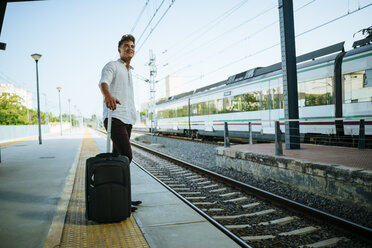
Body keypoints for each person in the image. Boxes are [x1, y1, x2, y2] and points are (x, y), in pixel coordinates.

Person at [98, 34, 141, 211]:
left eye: (132, 46)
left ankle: (120, 197)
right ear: (119, 49)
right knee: (126, 157)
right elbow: (103, 83)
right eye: (126, 46)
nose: (129, 48)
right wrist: (108, 96)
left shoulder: (130, 71)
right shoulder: (112, 66)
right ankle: (120, 198)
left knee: (118, 158)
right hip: (115, 117)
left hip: (127, 118)